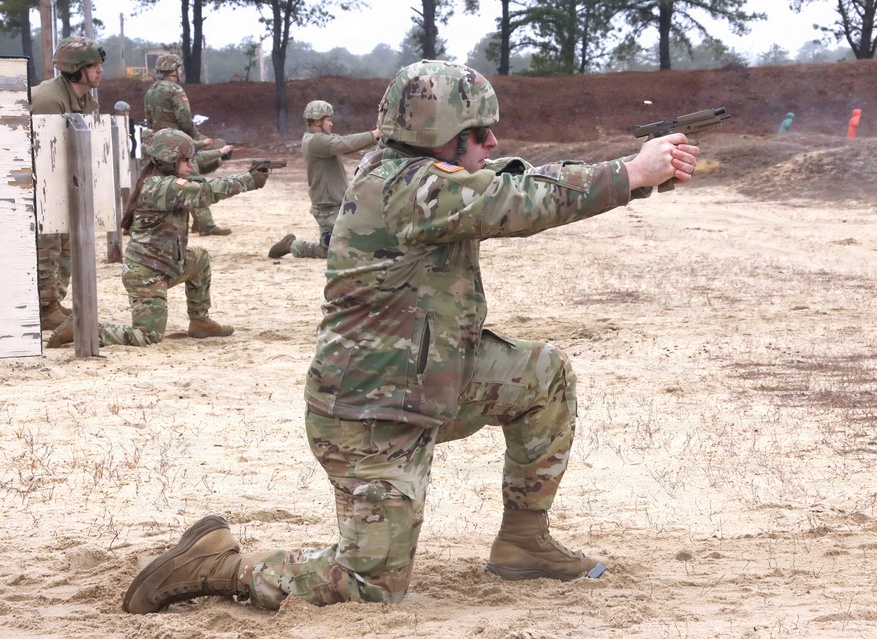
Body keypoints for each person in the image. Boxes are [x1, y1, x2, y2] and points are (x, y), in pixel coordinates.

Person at [121, 60, 699, 613]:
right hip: (371, 414)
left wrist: (639, 172)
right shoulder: (408, 190)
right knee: (368, 588)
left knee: (543, 374)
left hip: (430, 383)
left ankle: (524, 545)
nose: (492, 142)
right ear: (439, 133)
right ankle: (217, 566)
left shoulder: (421, 176)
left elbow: (514, 177)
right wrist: (630, 173)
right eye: (479, 131)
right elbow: (515, 200)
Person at [46, 129, 269, 349]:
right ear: (168, 161)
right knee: (147, 336)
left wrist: (244, 177)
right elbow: (204, 192)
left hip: (165, 265)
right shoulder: (161, 186)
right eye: (186, 160)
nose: (191, 165)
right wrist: (248, 180)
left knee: (199, 259)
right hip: (146, 275)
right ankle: (85, 329)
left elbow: (201, 185)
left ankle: (200, 321)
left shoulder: (163, 181)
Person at [30, 36, 104, 330]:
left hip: (60, 178)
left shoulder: (81, 97)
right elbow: (42, 152)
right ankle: (43, 307)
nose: (99, 70)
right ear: (75, 70)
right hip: (41, 179)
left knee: (63, 243)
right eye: (92, 65)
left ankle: (52, 303)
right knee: (47, 243)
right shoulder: (50, 100)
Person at [267, 100, 379, 259]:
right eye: (328, 120)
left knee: (356, 243)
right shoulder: (316, 141)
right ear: (317, 121)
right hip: (327, 205)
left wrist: (375, 140)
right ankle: (292, 246)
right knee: (332, 252)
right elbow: (345, 143)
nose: (331, 124)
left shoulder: (320, 139)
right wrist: (374, 134)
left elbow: (348, 146)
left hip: (337, 202)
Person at [144, 53, 231, 236]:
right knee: (193, 181)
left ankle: (195, 224)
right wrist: (196, 140)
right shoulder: (175, 90)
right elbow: (184, 119)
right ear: (173, 70)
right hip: (178, 143)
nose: (181, 71)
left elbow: (150, 119)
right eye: (179, 68)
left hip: (159, 144)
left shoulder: (151, 91)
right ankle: (206, 225)